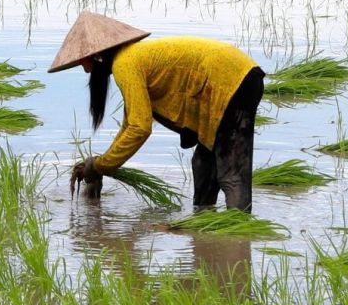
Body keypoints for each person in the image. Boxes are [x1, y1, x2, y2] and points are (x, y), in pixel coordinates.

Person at [51, 12, 264, 211]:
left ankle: (239, 239)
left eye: (83, 60)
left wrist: (99, 166)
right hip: (230, 77)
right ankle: (204, 231)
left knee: (231, 172)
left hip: (231, 80)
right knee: (204, 165)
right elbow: (130, 123)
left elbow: (139, 128)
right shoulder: (131, 59)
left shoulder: (125, 64)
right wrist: (101, 164)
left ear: (97, 56)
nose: (84, 67)